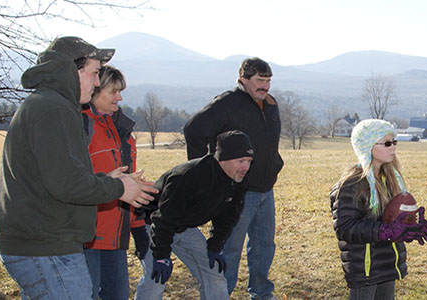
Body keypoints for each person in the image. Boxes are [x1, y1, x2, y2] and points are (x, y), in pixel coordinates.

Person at [0, 36, 157, 299]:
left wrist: (105, 180)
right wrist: (117, 187)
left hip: (43, 242)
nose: (96, 83)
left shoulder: (50, 104)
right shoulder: (54, 109)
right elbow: (67, 184)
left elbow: (57, 176)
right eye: (94, 73)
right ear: (72, 70)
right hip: (45, 247)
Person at [184, 57, 284, 300]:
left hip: (265, 190)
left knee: (263, 248)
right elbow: (193, 130)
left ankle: (261, 294)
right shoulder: (227, 103)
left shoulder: (270, 105)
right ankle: (219, 295)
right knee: (228, 248)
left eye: (268, 80)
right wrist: (204, 173)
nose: (265, 86)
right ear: (243, 79)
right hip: (235, 191)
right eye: (259, 80)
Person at [134, 130, 255, 300]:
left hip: (186, 228)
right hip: (153, 225)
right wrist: (161, 255)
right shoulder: (187, 177)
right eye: (240, 161)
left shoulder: (237, 180)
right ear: (222, 159)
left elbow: (229, 216)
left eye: (249, 161)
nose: (245, 167)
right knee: (156, 278)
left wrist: (215, 246)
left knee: (214, 272)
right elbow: (163, 219)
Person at [329, 119, 427, 300]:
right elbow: (345, 228)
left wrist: (409, 227)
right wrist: (384, 231)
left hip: (387, 264)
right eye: (387, 143)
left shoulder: (389, 180)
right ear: (367, 146)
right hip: (366, 269)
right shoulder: (351, 185)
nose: (393, 148)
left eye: (394, 142)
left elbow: (391, 219)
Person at [81, 65, 145, 299]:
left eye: (121, 91)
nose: (120, 97)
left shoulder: (123, 131)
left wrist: (139, 229)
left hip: (116, 237)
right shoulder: (80, 126)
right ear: (95, 90)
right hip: (86, 236)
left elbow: (131, 185)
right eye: (113, 91)